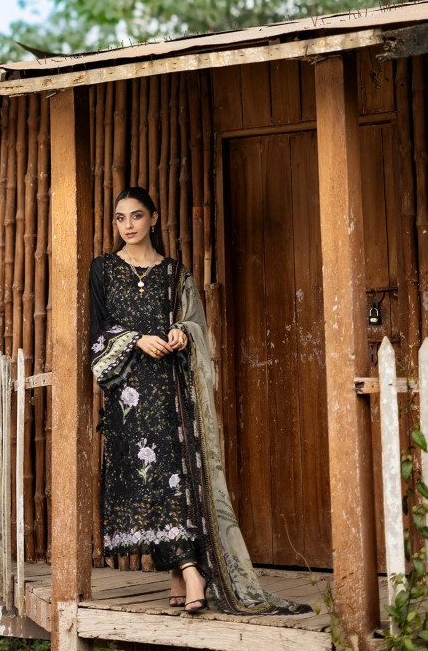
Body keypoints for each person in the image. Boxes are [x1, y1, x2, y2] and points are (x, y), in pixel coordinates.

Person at [89, 186, 310, 615]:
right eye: (120, 218)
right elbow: (99, 331)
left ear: (154, 218)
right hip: (129, 396)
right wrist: (136, 339)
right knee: (148, 479)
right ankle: (184, 571)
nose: (128, 225)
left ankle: (189, 572)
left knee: (177, 478)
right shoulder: (104, 268)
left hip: (173, 392)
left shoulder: (176, 273)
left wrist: (182, 332)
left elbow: (194, 322)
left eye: (137, 216)